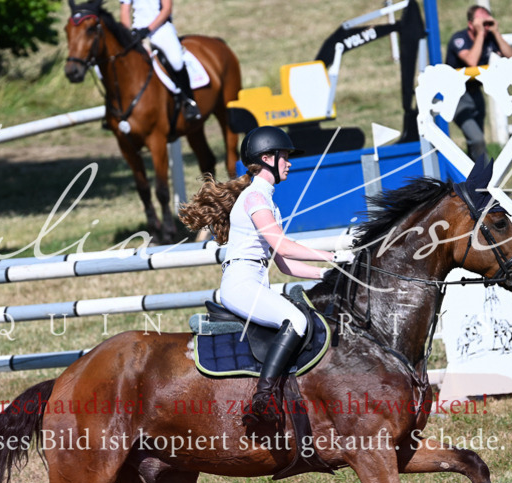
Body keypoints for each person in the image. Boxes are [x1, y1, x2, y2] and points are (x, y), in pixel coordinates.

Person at [180, 126, 354, 428]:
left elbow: (285, 265)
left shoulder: (265, 199)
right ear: (267, 158)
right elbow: (283, 246)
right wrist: (333, 255)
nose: (289, 162)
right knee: (296, 321)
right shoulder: (255, 198)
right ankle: (263, 397)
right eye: (284, 156)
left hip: (252, 282)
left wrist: (328, 273)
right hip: (241, 284)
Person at [445, 5, 512, 161]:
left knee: (476, 144)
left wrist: (496, 33)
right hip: (455, 96)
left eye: (487, 21)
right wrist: (481, 34)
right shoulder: (459, 39)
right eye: (481, 22)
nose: (485, 25)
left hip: (475, 93)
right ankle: (482, 173)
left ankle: (472, 173)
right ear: (471, 24)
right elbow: (472, 61)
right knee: (477, 139)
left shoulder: (489, 38)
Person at [119, 0, 201, 121]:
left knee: (176, 61)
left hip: (161, 29)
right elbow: (125, 11)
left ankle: (189, 101)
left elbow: (166, 9)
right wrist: (128, 34)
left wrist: (148, 29)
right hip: (137, 32)